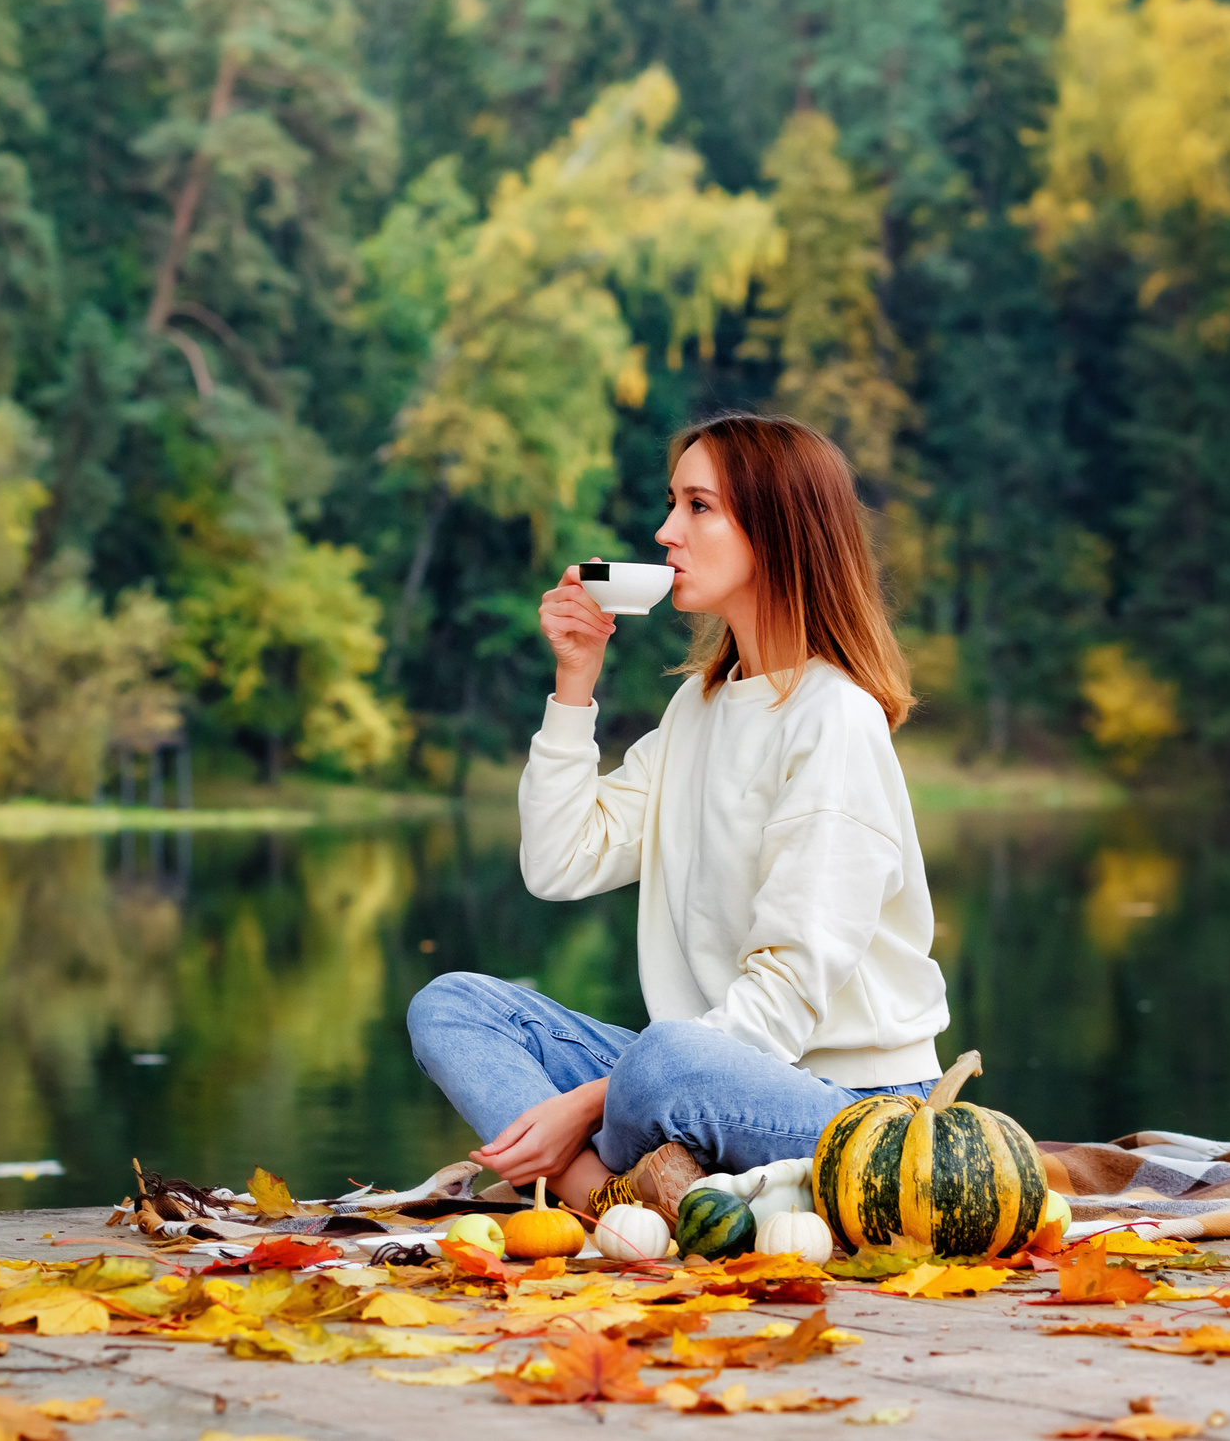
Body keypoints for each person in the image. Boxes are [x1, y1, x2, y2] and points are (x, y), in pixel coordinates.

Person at [406, 413, 948, 1215]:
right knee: (452, 1004)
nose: (665, 532)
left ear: (777, 529)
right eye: (672, 503)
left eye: (699, 507)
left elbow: (783, 1000)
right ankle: (609, 1199)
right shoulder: (699, 707)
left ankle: (606, 1192)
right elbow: (559, 862)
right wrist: (575, 680)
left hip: (855, 1106)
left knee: (663, 1063)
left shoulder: (835, 718)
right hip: (699, 1069)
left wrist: (587, 1102)